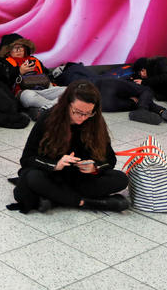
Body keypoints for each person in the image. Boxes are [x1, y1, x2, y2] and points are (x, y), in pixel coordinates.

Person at [7, 80, 129, 213]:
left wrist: (95, 167)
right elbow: (27, 159)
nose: (82, 118)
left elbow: (110, 160)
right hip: (51, 175)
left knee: (121, 179)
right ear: (67, 105)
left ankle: (55, 198)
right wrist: (55, 165)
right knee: (32, 178)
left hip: (78, 178)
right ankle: (85, 202)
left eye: (88, 113)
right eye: (77, 111)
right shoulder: (49, 118)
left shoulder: (95, 122)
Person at [0, 34, 65, 117]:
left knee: (68, 90)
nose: (19, 50)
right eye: (14, 47)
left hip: (45, 89)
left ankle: (48, 108)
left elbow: (48, 75)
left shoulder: (34, 60)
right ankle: (54, 106)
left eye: (21, 47)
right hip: (23, 93)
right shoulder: (0, 62)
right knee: (28, 96)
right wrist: (19, 71)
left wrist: (51, 85)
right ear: (7, 50)